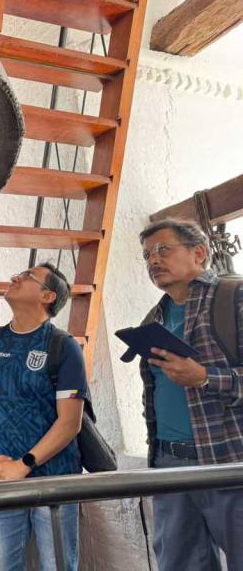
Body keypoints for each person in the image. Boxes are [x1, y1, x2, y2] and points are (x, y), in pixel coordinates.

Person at [135, 218, 243, 571]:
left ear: (199, 253)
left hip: (228, 461)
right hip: (168, 466)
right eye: (147, 254)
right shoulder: (153, 319)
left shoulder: (233, 297)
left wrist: (204, 378)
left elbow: (201, 380)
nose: (153, 260)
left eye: (163, 250)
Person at [0, 264, 86, 571]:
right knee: (1, 565)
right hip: (0, 477)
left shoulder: (63, 346)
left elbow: (70, 423)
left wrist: (24, 464)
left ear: (47, 295)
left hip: (54, 480)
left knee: (58, 566)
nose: (14, 277)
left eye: (27, 276)